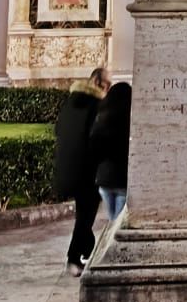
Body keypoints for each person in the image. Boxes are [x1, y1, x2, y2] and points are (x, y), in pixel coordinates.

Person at [54, 67, 110, 275]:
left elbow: (58, 130)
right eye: (106, 85)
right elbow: (97, 137)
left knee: (84, 215)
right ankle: (74, 258)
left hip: (69, 166)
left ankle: (85, 251)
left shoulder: (71, 102)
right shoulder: (96, 105)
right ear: (97, 82)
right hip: (87, 170)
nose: (108, 89)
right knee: (85, 216)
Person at [89, 82, 132, 221]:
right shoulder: (129, 123)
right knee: (116, 222)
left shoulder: (101, 119)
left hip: (104, 179)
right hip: (121, 181)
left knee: (112, 220)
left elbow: (94, 149)